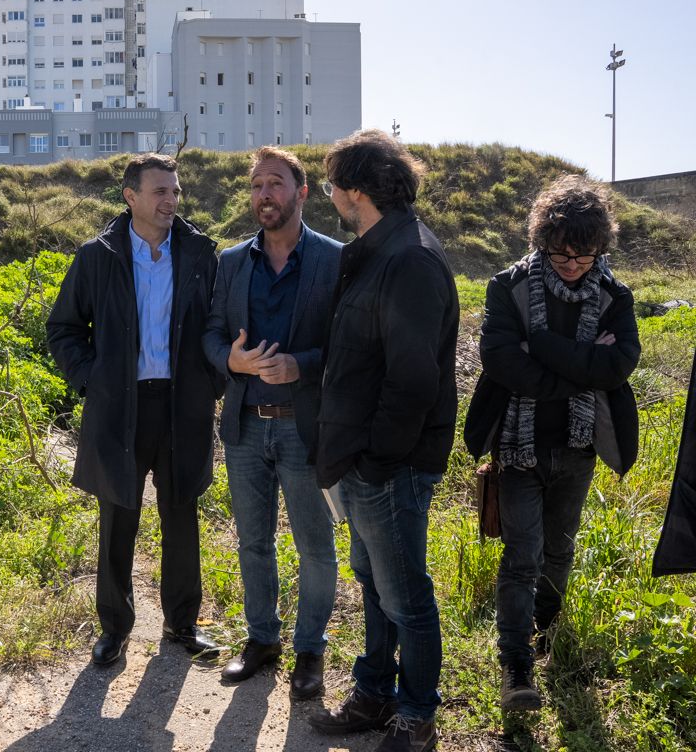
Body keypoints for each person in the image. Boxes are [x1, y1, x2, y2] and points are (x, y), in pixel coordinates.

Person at [463, 174, 639, 711]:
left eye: (584, 255)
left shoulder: (614, 295)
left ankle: (545, 631)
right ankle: (515, 663)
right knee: (523, 556)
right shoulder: (508, 286)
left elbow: (620, 363)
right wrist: (582, 368)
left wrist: (539, 345)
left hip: (578, 446)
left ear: (600, 247)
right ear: (542, 239)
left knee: (559, 550)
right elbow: (501, 361)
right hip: (518, 447)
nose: (572, 264)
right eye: (561, 253)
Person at [309, 130, 458, 752]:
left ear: (356, 191)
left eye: (331, 186)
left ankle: (416, 715)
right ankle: (374, 695)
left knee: (405, 596)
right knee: (374, 584)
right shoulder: (377, 250)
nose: (330, 197)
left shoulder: (409, 259)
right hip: (362, 458)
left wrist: (375, 464)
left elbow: (413, 379)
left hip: (387, 466)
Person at [47, 153, 222, 666]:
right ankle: (115, 629)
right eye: (160, 191)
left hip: (182, 406)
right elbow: (64, 329)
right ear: (130, 197)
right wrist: (93, 381)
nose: (171, 200)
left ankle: (182, 624)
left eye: (176, 191)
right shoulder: (97, 256)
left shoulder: (199, 253)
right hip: (119, 407)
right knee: (117, 519)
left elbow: (219, 324)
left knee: (181, 516)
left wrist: (210, 383)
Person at [201, 146, 341, 698]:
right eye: (257, 185)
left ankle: (310, 650)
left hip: (305, 428)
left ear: (301, 192)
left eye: (276, 183)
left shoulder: (335, 259)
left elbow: (351, 346)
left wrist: (300, 366)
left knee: (315, 546)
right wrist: (230, 361)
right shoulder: (233, 261)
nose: (265, 194)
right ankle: (262, 640)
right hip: (246, 426)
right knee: (253, 542)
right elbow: (212, 334)